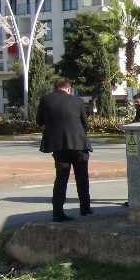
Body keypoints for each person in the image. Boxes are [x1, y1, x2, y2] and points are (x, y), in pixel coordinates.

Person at [36, 78, 93, 222]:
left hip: (58, 145)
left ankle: (57, 212)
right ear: (68, 88)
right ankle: (85, 208)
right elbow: (85, 123)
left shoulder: (45, 99)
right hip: (78, 143)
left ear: (56, 88)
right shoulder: (78, 101)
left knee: (61, 178)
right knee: (82, 177)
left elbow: (39, 121)